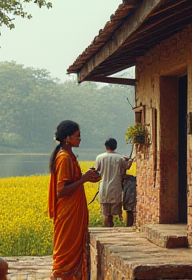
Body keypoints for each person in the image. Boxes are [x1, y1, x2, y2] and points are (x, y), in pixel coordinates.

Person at [48, 120, 101, 280]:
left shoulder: (69, 156)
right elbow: (61, 191)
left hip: (73, 211)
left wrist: (86, 178)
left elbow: (72, 182)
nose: (80, 138)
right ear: (67, 138)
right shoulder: (64, 158)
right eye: (77, 136)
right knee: (65, 253)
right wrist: (84, 179)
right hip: (68, 213)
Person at [95, 138, 131, 227]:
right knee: (115, 213)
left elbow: (97, 170)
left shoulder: (100, 157)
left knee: (107, 215)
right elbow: (127, 167)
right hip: (116, 188)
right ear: (116, 146)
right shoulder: (120, 158)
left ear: (106, 146)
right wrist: (129, 160)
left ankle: (107, 229)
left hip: (104, 189)